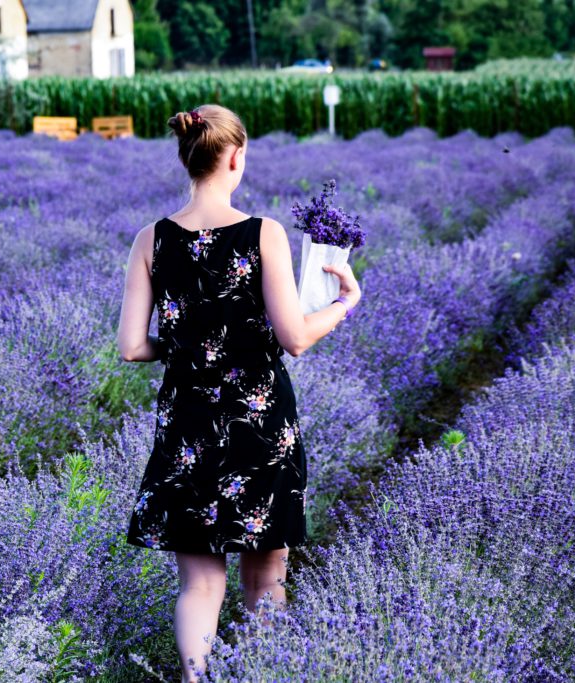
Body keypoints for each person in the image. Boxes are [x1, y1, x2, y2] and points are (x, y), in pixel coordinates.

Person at [115, 104, 361, 683]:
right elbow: (295, 338)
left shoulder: (150, 240)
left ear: (189, 157)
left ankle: (197, 680)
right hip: (259, 425)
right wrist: (345, 301)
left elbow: (130, 347)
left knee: (200, 583)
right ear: (235, 156)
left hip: (188, 424)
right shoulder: (264, 233)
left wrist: (187, 349)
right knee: (264, 579)